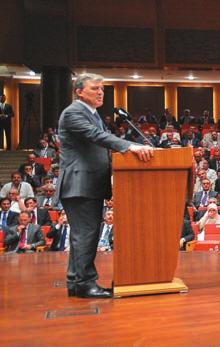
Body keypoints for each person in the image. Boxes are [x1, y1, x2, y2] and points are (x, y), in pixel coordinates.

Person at [56, 73, 154, 299]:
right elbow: (96, 136)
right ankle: (85, 284)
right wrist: (131, 148)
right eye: (94, 88)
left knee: (83, 234)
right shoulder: (74, 112)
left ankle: (75, 281)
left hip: (89, 183)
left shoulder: (92, 114)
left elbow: (102, 136)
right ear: (79, 91)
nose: (100, 92)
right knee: (86, 235)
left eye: (102, 88)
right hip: (80, 183)